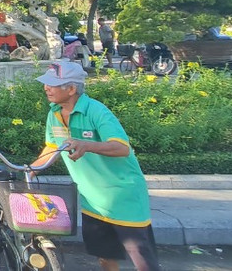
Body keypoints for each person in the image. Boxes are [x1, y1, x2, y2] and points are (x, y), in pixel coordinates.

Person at [33, 61, 162, 271]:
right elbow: (51, 149)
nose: (46, 88)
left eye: (52, 84)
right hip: (92, 201)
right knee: (104, 256)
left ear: (72, 89)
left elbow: (121, 148)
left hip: (123, 199)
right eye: (46, 83)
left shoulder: (96, 111)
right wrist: (29, 169)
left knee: (143, 261)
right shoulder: (54, 114)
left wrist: (86, 145)